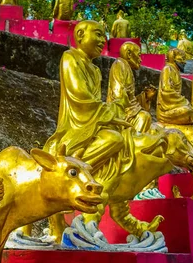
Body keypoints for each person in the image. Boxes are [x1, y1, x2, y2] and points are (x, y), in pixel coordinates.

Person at [44, 20, 130, 183]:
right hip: (77, 126)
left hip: (93, 124)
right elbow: (80, 95)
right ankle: (68, 174)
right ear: (80, 35)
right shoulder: (70, 57)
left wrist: (118, 106)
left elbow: (96, 102)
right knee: (114, 139)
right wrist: (110, 112)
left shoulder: (96, 71)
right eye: (98, 35)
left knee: (123, 140)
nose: (102, 41)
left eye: (104, 37)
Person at [107, 41, 154, 132]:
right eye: (138, 55)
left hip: (128, 110)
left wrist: (145, 97)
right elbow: (119, 96)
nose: (140, 60)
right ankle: (133, 141)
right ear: (129, 54)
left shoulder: (127, 68)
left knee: (145, 117)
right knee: (144, 117)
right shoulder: (119, 64)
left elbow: (130, 99)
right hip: (120, 112)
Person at [156, 48, 193, 124]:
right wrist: (184, 101)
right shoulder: (167, 69)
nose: (184, 62)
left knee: (191, 110)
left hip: (173, 106)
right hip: (166, 110)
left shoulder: (176, 71)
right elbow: (167, 92)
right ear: (173, 58)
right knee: (187, 111)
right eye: (181, 59)